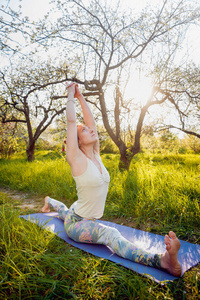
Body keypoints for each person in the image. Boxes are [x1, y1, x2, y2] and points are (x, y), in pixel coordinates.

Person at [42, 82, 182, 277]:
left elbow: (90, 123)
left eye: (91, 130)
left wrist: (81, 97)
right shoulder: (76, 158)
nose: (91, 130)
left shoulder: (96, 154)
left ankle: (48, 200)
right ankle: (161, 261)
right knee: (109, 233)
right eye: (85, 131)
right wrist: (70, 96)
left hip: (76, 210)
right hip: (77, 224)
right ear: (77, 142)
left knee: (64, 210)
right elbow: (72, 123)